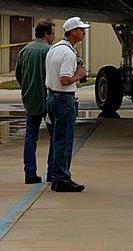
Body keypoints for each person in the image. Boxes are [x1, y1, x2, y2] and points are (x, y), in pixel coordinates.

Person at [44, 16, 89, 192]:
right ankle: (62, 178)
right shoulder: (68, 54)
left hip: (51, 98)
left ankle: (56, 176)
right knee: (64, 141)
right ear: (72, 32)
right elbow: (64, 80)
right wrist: (78, 75)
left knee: (57, 140)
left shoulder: (54, 49)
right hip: (63, 99)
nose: (84, 33)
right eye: (81, 29)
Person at [15, 21, 55, 184]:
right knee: (55, 137)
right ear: (46, 34)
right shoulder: (50, 51)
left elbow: (19, 74)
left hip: (30, 100)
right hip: (48, 100)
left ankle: (30, 172)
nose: (53, 37)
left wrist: (27, 88)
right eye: (52, 34)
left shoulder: (25, 51)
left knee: (30, 138)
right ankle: (52, 171)